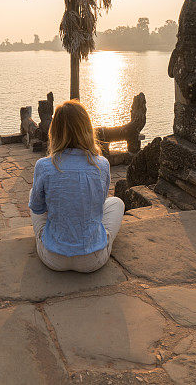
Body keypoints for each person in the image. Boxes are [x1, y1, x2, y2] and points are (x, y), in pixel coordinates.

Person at [28, 99, 125, 273]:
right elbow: (99, 204)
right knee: (117, 203)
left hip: (53, 258)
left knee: (32, 196)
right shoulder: (102, 164)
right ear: (87, 129)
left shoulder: (44, 165)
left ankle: (56, 238)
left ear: (54, 131)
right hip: (93, 260)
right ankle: (100, 239)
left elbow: (37, 208)